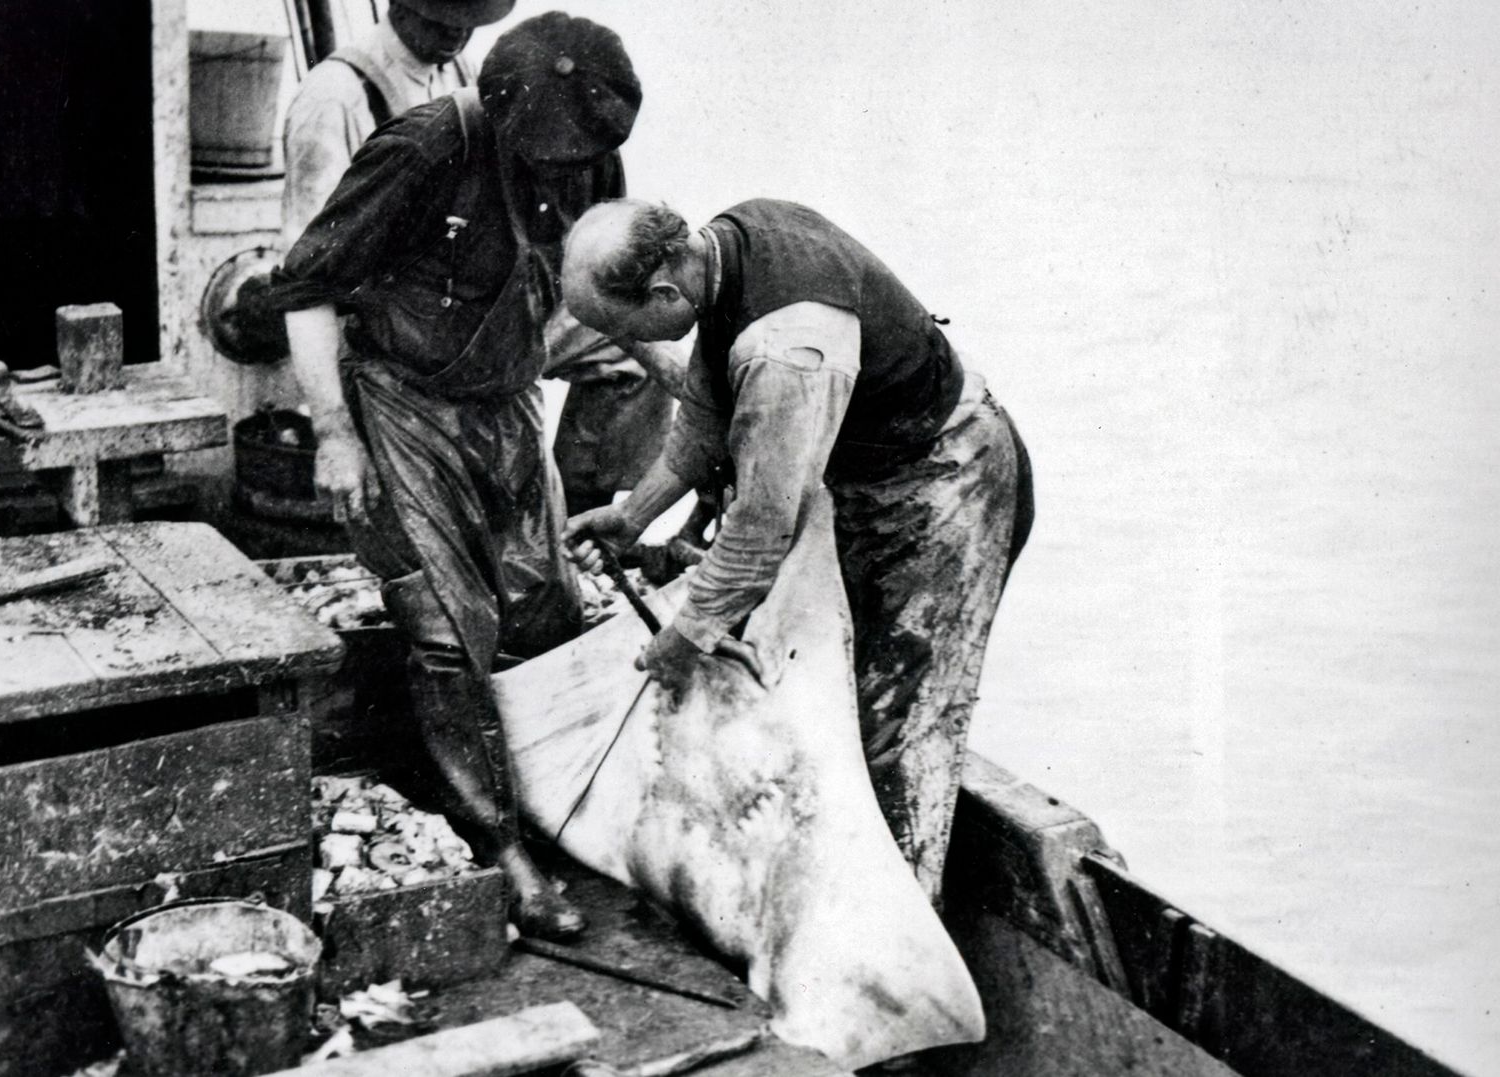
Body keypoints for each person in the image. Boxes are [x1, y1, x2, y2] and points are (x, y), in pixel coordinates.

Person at [270, 13, 642, 940]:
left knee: (544, 604)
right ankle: (500, 845)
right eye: (547, 157)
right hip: (401, 400)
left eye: (581, 159)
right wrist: (332, 433)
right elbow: (306, 285)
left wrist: (695, 401)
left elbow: (604, 282)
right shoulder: (420, 148)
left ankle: (560, 803)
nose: (565, 173)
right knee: (445, 627)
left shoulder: (593, 150)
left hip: (506, 399)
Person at [560, 198, 1034, 897]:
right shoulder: (723, 245)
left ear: (663, 292)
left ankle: (895, 922)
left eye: (616, 327)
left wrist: (688, 632)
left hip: (947, 481)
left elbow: (761, 525)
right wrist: (633, 516)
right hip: (869, 472)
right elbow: (705, 412)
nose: (613, 341)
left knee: (900, 718)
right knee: (842, 688)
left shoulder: (787, 347)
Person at [279, 0, 512, 251]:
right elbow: (310, 247)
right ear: (399, 8)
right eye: (441, 17)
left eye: (470, 16)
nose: (458, 30)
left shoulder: (462, 71)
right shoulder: (334, 94)